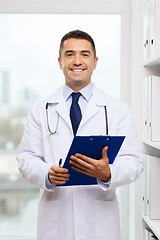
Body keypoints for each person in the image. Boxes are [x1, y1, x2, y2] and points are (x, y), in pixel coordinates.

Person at [17, 30, 144, 240]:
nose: (77, 61)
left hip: (100, 224)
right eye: (70, 54)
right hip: (56, 222)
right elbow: (25, 159)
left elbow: (135, 162)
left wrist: (108, 173)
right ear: (60, 62)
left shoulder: (117, 109)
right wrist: (47, 174)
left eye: (84, 54)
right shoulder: (42, 109)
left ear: (95, 62)